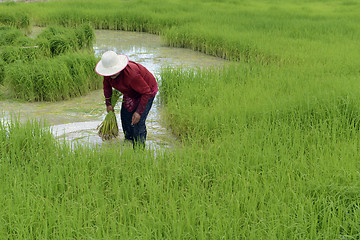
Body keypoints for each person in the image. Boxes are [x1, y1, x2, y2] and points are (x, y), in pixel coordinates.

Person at [95, 50, 158, 148]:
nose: (111, 75)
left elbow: (146, 92)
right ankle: (128, 141)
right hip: (130, 92)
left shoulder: (131, 75)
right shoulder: (108, 75)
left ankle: (139, 149)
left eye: (113, 73)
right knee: (125, 117)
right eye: (109, 73)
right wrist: (108, 104)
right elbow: (107, 88)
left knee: (138, 121)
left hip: (147, 91)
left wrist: (139, 112)